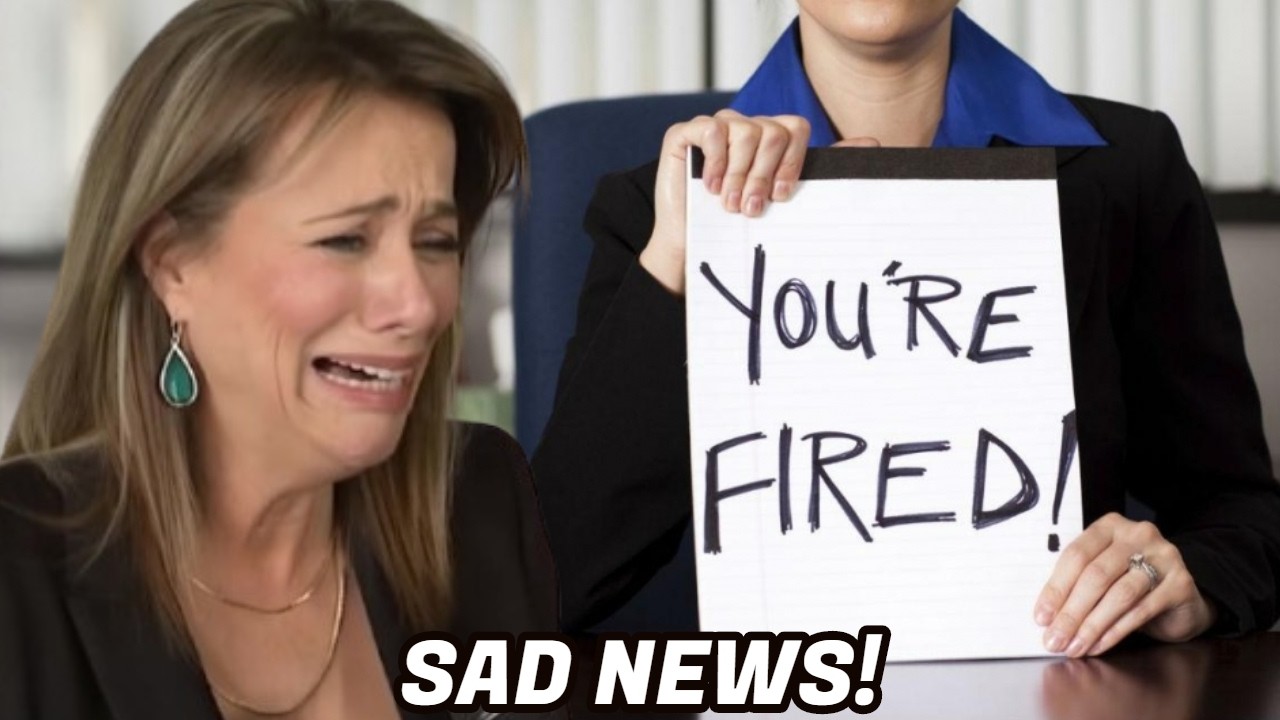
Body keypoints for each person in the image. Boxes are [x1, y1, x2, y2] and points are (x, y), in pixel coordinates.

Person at [533, 1, 1280, 659]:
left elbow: (1244, 519)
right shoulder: (660, 207)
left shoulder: (1129, 172)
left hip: (1054, 691)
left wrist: (1189, 579)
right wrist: (681, 259)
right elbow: (553, 581)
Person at [0, 1, 556, 717]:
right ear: (171, 263)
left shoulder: (477, 504)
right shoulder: (17, 573)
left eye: (435, 242)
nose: (418, 304)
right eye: (346, 240)